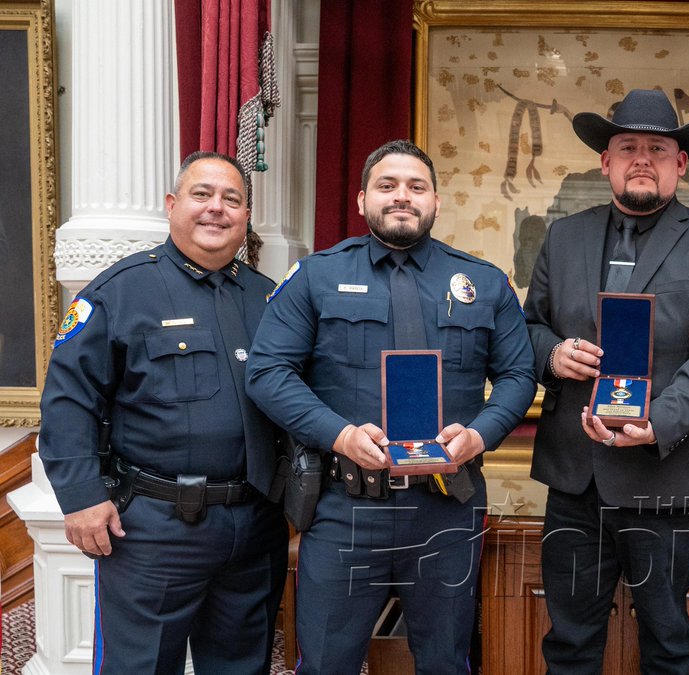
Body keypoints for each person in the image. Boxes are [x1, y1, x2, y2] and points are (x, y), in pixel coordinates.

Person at [246, 139, 536, 674]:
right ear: (361, 200)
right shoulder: (316, 276)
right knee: (326, 663)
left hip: (447, 507)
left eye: (415, 187)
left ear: (436, 202)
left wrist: (480, 434)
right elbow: (266, 372)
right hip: (347, 507)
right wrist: (338, 434)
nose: (402, 196)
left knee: (446, 662)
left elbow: (519, 375)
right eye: (387, 185)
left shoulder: (484, 282)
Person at [524, 88, 689, 674]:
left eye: (657, 147)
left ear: (681, 163)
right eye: (627, 147)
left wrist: (657, 423)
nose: (641, 158)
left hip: (665, 480)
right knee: (569, 644)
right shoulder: (563, 237)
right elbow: (527, 328)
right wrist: (553, 354)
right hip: (574, 481)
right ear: (606, 162)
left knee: (667, 645)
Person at [39, 152, 288, 673]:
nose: (216, 209)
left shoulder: (270, 301)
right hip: (154, 528)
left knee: (243, 666)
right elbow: (69, 401)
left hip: (253, 523)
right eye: (202, 195)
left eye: (231, 199)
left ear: (246, 218)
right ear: (173, 206)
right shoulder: (120, 292)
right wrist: (82, 497)